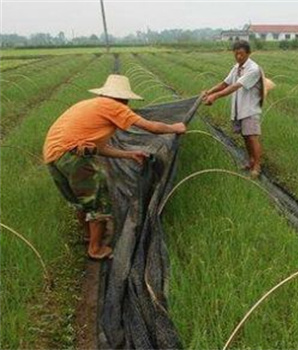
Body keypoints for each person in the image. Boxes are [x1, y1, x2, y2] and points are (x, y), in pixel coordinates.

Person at [43, 74, 186, 260]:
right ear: (123, 98)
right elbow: (151, 127)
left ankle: (89, 236)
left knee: (81, 200)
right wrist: (175, 127)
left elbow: (99, 147)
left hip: (53, 156)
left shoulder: (91, 105)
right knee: (99, 199)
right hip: (73, 156)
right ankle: (96, 250)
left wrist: (128, 154)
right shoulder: (114, 106)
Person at [202, 40, 270, 178]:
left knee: (252, 137)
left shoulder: (253, 69)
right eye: (236, 54)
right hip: (240, 108)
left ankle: (257, 166)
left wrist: (215, 97)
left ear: (248, 53)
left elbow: (235, 86)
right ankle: (250, 161)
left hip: (250, 109)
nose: (239, 57)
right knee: (245, 137)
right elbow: (225, 83)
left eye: (241, 54)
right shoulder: (236, 68)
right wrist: (208, 92)